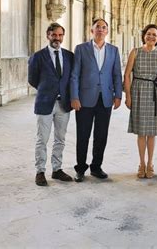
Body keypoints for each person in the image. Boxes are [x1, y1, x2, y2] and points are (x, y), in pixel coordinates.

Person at [70, 18, 123, 182]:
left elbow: (117, 74)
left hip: (105, 99)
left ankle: (96, 166)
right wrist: (74, 96)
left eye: (104, 27)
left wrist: (118, 95)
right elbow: (74, 75)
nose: (101, 29)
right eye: (97, 27)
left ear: (107, 31)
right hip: (84, 99)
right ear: (91, 30)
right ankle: (80, 168)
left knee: (101, 135)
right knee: (83, 135)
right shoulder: (81, 49)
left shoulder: (113, 50)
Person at [28, 23, 74, 186]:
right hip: (45, 103)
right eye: (54, 35)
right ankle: (40, 171)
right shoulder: (38, 56)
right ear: (48, 35)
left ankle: (57, 169)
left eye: (60, 35)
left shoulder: (69, 56)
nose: (57, 38)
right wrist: (47, 90)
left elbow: (71, 78)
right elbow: (32, 79)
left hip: (64, 104)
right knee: (42, 139)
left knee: (60, 138)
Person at [124, 24, 157, 179]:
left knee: (152, 132)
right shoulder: (135, 52)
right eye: (149, 34)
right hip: (139, 92)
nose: (151, 37)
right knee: (141, 131)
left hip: (156, 91)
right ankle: (141, 163)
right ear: (144, 36)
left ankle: (150, 163)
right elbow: (127, 74)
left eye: (154, 35)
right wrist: (128, 95)